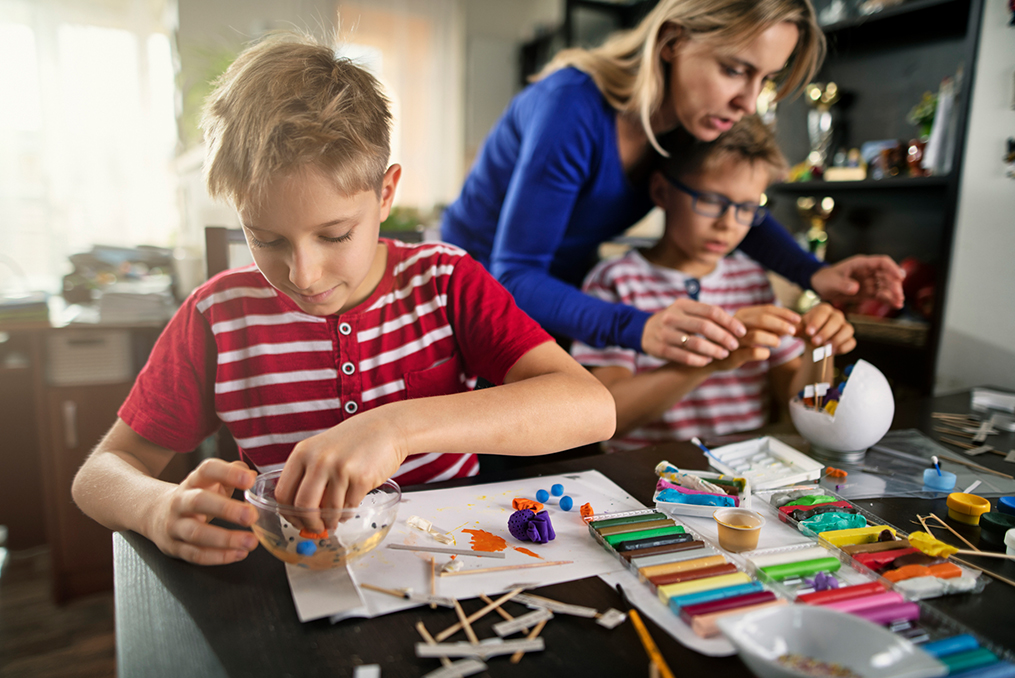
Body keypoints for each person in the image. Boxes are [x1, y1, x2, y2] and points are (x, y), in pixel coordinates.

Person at [71, 32, 616, 566]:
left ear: (385, 193)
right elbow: (101, 473)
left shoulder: (446, 281)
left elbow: (591, 409)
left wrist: (395, 427)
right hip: (295, 576)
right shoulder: (218, 317)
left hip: (450, 564)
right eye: (265, 239)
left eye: (334, 235)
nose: (303, 274)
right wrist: (154, 506)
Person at [441, 0, 900, 368]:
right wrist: (640, 328)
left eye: (765, 79)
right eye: (735, 70)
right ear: (672, 41)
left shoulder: (691, 118)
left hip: (556, 293)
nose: (747, 102)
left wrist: (814, 273)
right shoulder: (571, 109)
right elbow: (513, 275)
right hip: (465, 298)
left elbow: (734, 207)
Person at [571, 115, 855, 451]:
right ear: (662, 191)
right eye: (711, 201)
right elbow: (610, 415)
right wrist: (711, 358)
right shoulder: (615, 281)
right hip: (646, 475)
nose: (728, 225)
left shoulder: (751, 280)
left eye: (747, 208)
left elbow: (803, 410)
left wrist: (820, 349)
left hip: (743, 474)